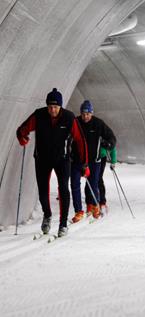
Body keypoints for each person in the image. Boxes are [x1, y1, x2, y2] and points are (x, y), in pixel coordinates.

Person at [16, 88, 89, 237]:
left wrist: (85, 163)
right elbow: (22, 129)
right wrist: (22, 137)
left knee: (63, 189)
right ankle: (47, 215)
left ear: (60, 106)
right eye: (50, 107)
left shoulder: (69, 118)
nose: (52, 110)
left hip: (62, 159)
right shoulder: (39, 115)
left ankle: (62, 224)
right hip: (42, 159)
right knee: (43, 191)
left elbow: (80, 140)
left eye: (55, 107)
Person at [70, 100, 116, 223]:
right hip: (77, 160)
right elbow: (67, 137)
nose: (85, 116)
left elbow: (111, 137)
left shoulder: (98, 124)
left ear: (92, 113)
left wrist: (108, 144)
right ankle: (78, 211)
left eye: (88, 114)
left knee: (93, 184)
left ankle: (94, 206)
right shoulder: (76, 122)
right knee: (74, 184)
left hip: (94, 160)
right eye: (83, 114)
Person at [98, 146, 117, 214]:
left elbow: (112, 146)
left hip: (101, 157)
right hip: (90, 157)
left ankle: (102, 202)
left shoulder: (104, 135)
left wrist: (113, 161)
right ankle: (91, 203)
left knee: (98, 178)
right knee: (92, 179)